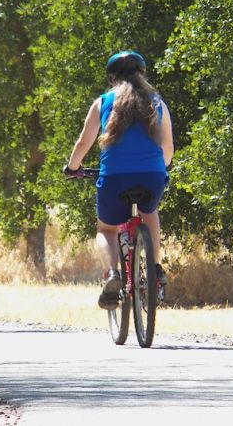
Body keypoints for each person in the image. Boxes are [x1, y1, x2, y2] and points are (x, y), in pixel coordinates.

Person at [64, 51, 174, 309]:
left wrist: (72, 167)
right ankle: (156, 267)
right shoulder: (157, 102)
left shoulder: (103, 102)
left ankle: (112, 273)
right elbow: (168, 146)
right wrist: (162, 165)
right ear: (142, 75)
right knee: (150, 210)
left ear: (112, 79)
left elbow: (84, 142)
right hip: (152, 175)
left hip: (114, 177)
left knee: (106, 229)